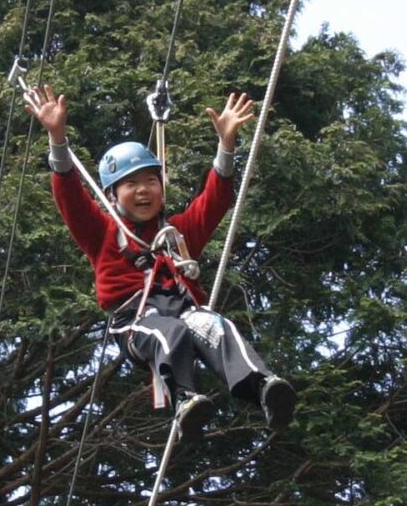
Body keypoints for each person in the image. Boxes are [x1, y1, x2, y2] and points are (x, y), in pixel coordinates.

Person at [24, 84, 296, 433]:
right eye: (131, 184)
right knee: (170, 333)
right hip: (137, 320)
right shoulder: (103, 233)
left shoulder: (176, 233)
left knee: (215, 325)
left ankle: (262, 387)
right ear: (112, 195)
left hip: (184, 310)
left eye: (151, 181)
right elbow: (71, 199)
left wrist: (226, 146)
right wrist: (57, 139)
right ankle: (184, 399)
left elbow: (213, 202)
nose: (143, 190)